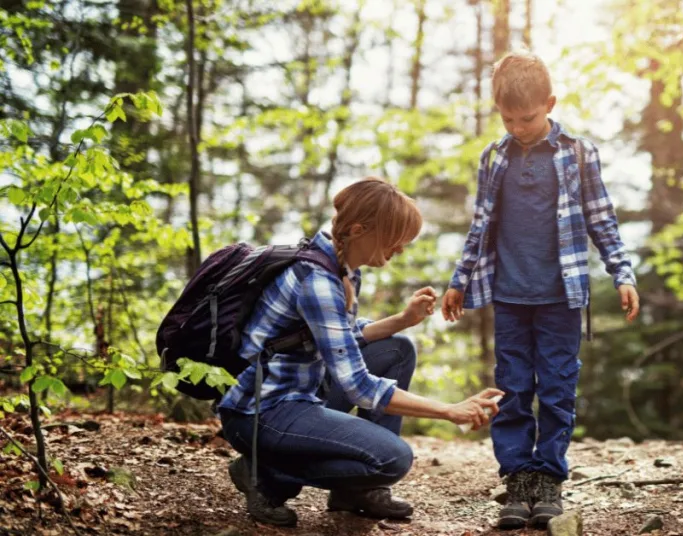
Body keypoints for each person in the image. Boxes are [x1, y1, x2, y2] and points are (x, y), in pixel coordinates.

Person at [217, 177, 503, 527]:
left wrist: (403, 319)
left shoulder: (342, 268)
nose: (401, 248)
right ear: (359, 230)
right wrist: (450, 411)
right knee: (392, 459)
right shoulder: (318, 281)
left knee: (397, 350)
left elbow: (343, 338)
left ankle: (355, 493)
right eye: (395, 238)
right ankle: (265, 475)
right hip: (262, 411)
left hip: (302, 392)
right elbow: (359, 386)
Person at [441, 51, 640, 529]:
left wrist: (623, 272)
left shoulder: (577, 153)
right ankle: (517, 477)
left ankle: (548, 476)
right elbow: (481, 225)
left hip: (561, 298)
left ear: (549, 103)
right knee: (511, 387)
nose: (518, 126)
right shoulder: (494, 157)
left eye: (527, 117)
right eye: (507, 118)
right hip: (508, 297)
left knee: (555, 388)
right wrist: (459, 280)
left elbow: (601, 218)